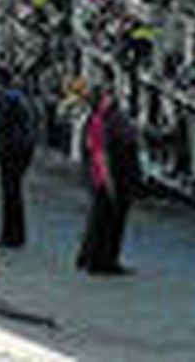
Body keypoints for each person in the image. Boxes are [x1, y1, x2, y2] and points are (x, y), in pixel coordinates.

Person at [75, 82, 141, 275]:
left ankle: (90, 258)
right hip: (112, 177)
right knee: (110, 222)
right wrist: (109, 181)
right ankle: (104, 261)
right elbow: (101, 154)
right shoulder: (105, 121)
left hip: (107, 177)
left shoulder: (98, 119)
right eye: (108, 96)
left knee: (100, 220)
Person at [0, 66, 41, 247]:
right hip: (21, 151)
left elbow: (0, 127)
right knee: (14, 193)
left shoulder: (6, 99)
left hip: (11, 151)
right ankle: (15, 235)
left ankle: (11, 236)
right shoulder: (19, 97)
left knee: (10, 193)